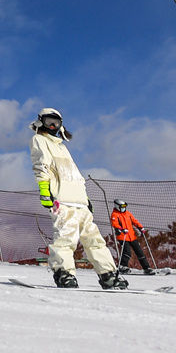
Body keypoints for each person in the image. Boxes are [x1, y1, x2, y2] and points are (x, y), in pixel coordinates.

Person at [30, 107, 127, 289]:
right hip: (62, 200)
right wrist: (44, 190)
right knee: (66, 239)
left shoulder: (62, 147)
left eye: (56, 123)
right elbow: (41, 165)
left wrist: (86, 198)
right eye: (49, 121)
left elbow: (74, 175)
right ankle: (64, 274)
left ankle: (108, 274)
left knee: (95, 240)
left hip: (80, 202)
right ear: (41, 122)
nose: (53, 126)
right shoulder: (39, 140)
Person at [110, 198, 153, 275]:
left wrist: (140, 227)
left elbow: (134, 221)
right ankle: (123, 266)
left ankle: (146, 268)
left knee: (139, 251)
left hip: (132, 236)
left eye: (124, 207)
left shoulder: (128, 214)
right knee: (127, 252)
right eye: (122, 207)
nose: (123, 208)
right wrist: (121, 229)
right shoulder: (115, 215)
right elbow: (115, 224)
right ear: (117, 206)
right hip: (123, 236)